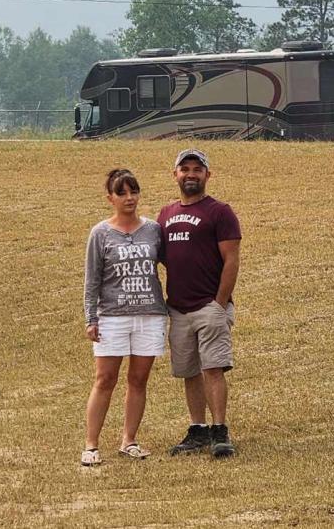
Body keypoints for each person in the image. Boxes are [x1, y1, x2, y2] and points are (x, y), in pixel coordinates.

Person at [157, 149, 241, 458]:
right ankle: (198, 430)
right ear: (175, 174)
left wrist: (219, 304)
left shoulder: (220, 211)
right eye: (185, 169)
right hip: (178, 308)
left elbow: (231, 260)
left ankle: (220, 431)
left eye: (197, 169)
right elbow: (164, 258)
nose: (191, 174)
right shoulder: (164, 215)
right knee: (189, 371)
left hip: (209, 306)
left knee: (213, 368)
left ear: (208, 175)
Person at [81, 169, 168, 467]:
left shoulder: (154, 230)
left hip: (150, 314)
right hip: (113, 316)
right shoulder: (101, 233)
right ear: (110, 198)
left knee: (138, 379)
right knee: (105, 379)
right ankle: (91, 445)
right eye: (122, 193)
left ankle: (128, 440)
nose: (130, 198)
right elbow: (92, 279)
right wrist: (91, 317)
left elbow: (175, 262)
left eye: (134, 191)